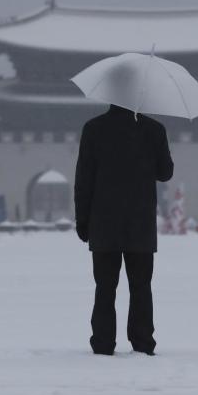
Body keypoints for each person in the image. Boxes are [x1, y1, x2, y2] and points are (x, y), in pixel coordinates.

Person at [75, 103, 174, 356]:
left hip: (103, 221)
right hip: (139, 221)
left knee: (105, 287)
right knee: (141, 286)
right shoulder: (154, 129)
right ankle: (142, 342)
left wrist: (82, 220)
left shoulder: (94, 129)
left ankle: (103, 342)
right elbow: (165, 173)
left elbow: (84, 179)